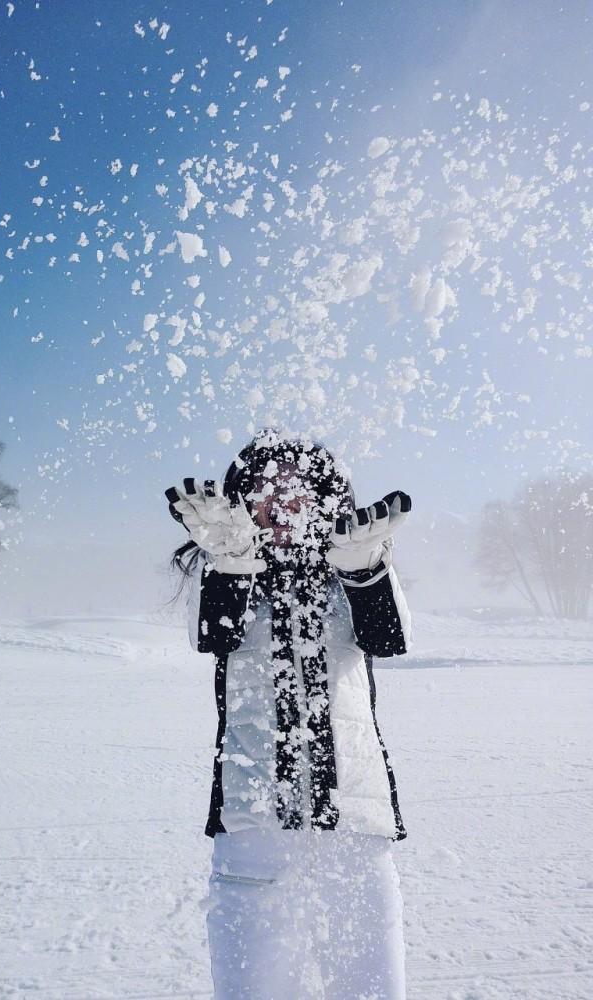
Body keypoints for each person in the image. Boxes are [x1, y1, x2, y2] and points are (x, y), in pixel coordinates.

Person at [165, 427, 412, 1000]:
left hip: (355, 821)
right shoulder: (228, 573)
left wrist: (362, 571)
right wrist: (231, 564)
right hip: (253, 826)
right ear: (241, 501)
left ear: (326, 499)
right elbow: (211, 636)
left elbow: (390, 637)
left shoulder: (354, 567)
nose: (282, 505)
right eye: (265, 491)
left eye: (297, 491)